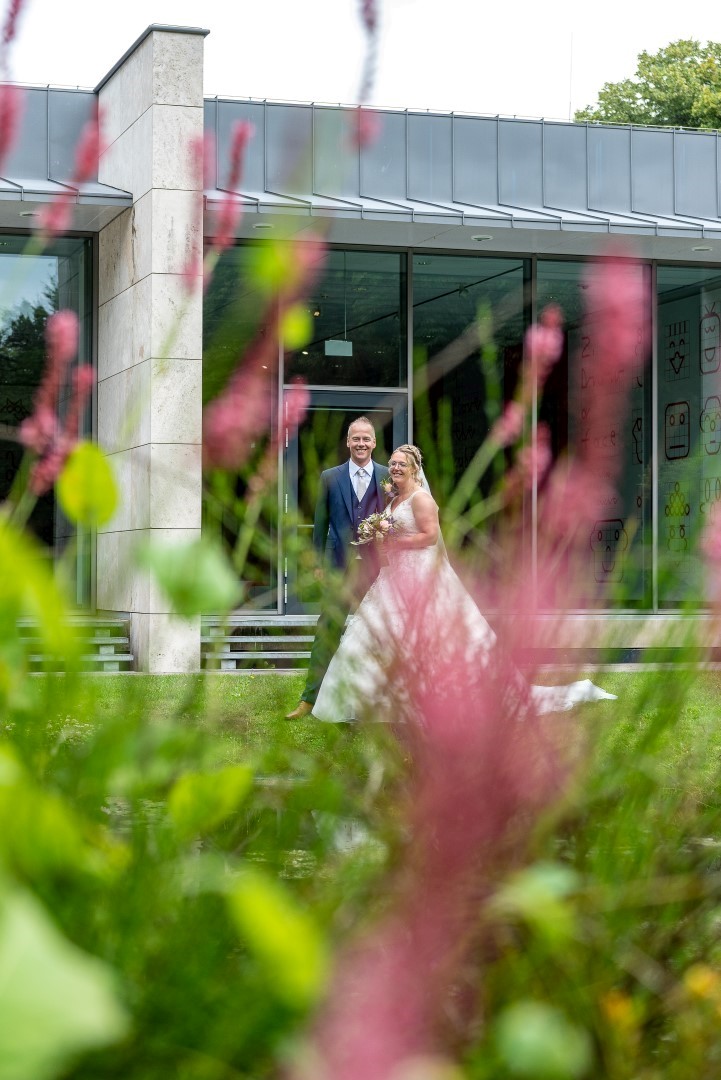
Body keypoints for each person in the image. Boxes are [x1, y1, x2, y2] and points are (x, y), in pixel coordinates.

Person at [311, 443, 616, 724]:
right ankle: (365, 701)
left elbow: (430, 537)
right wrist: (381, 537)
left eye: (401, 464)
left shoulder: (421, 499)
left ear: (415, 468)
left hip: (419, 575)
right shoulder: (395, 499)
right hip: (393, 578)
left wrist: (394, 539)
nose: (395, 468)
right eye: (392, 464)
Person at [285, 416, 390, 720]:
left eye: (366, 439)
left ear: (374, 442)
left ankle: (378, 701)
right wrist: (318, 562)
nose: (361, 444)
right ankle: (309, 700)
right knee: (327, 631)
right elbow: (320, 524)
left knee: (379, 634)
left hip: (375, 571)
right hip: (337, 568)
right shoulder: (330, 477)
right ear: (347, 442)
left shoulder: (387, 477)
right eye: (355, 439)